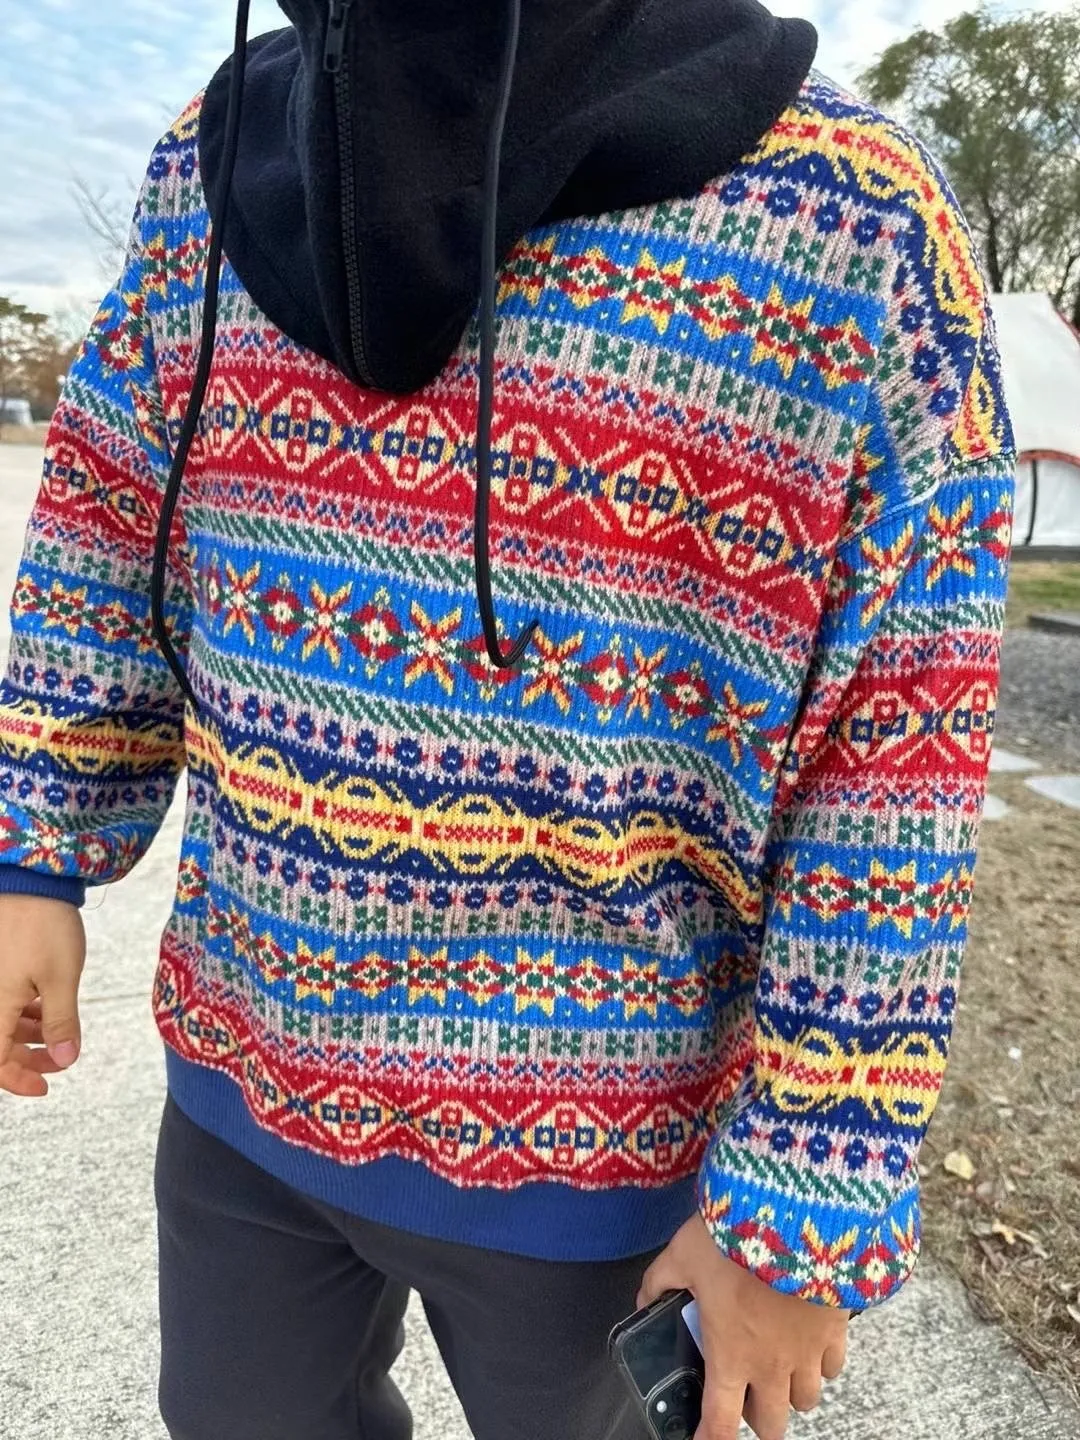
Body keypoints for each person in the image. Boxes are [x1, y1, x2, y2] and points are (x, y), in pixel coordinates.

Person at [0, 1, 1015, 1437]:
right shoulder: (217, 159)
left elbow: (898, 746)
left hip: (611, 1158)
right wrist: (33, 851)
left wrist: (804, 1194)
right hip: (243, 1080)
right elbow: (110, 513)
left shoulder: (853, 220)